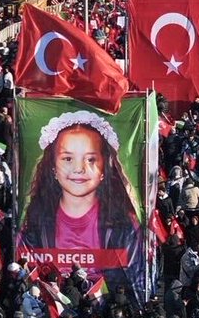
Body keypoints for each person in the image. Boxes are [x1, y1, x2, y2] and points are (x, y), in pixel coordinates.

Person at [17, 110, 144, 294]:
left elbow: (137, 280)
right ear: (53, 166)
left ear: (104, 167)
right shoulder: (35, 222)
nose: (79, 169)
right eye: (68, 159)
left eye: (90, 159)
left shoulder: (124, 224)